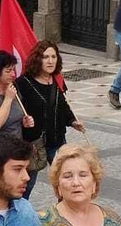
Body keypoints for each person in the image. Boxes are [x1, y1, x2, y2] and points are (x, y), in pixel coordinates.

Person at [17, 41, 80, 185]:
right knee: (27, 183)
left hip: (56, 139)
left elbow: (63, 106)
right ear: (37, 59)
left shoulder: (58, 80)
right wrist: (23, 121)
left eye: (53, 56)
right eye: (46, 57)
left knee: (65, 180)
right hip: (33, 142)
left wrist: (72, 121)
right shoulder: (23, 82)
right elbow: (16, 111)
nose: (50, 61)